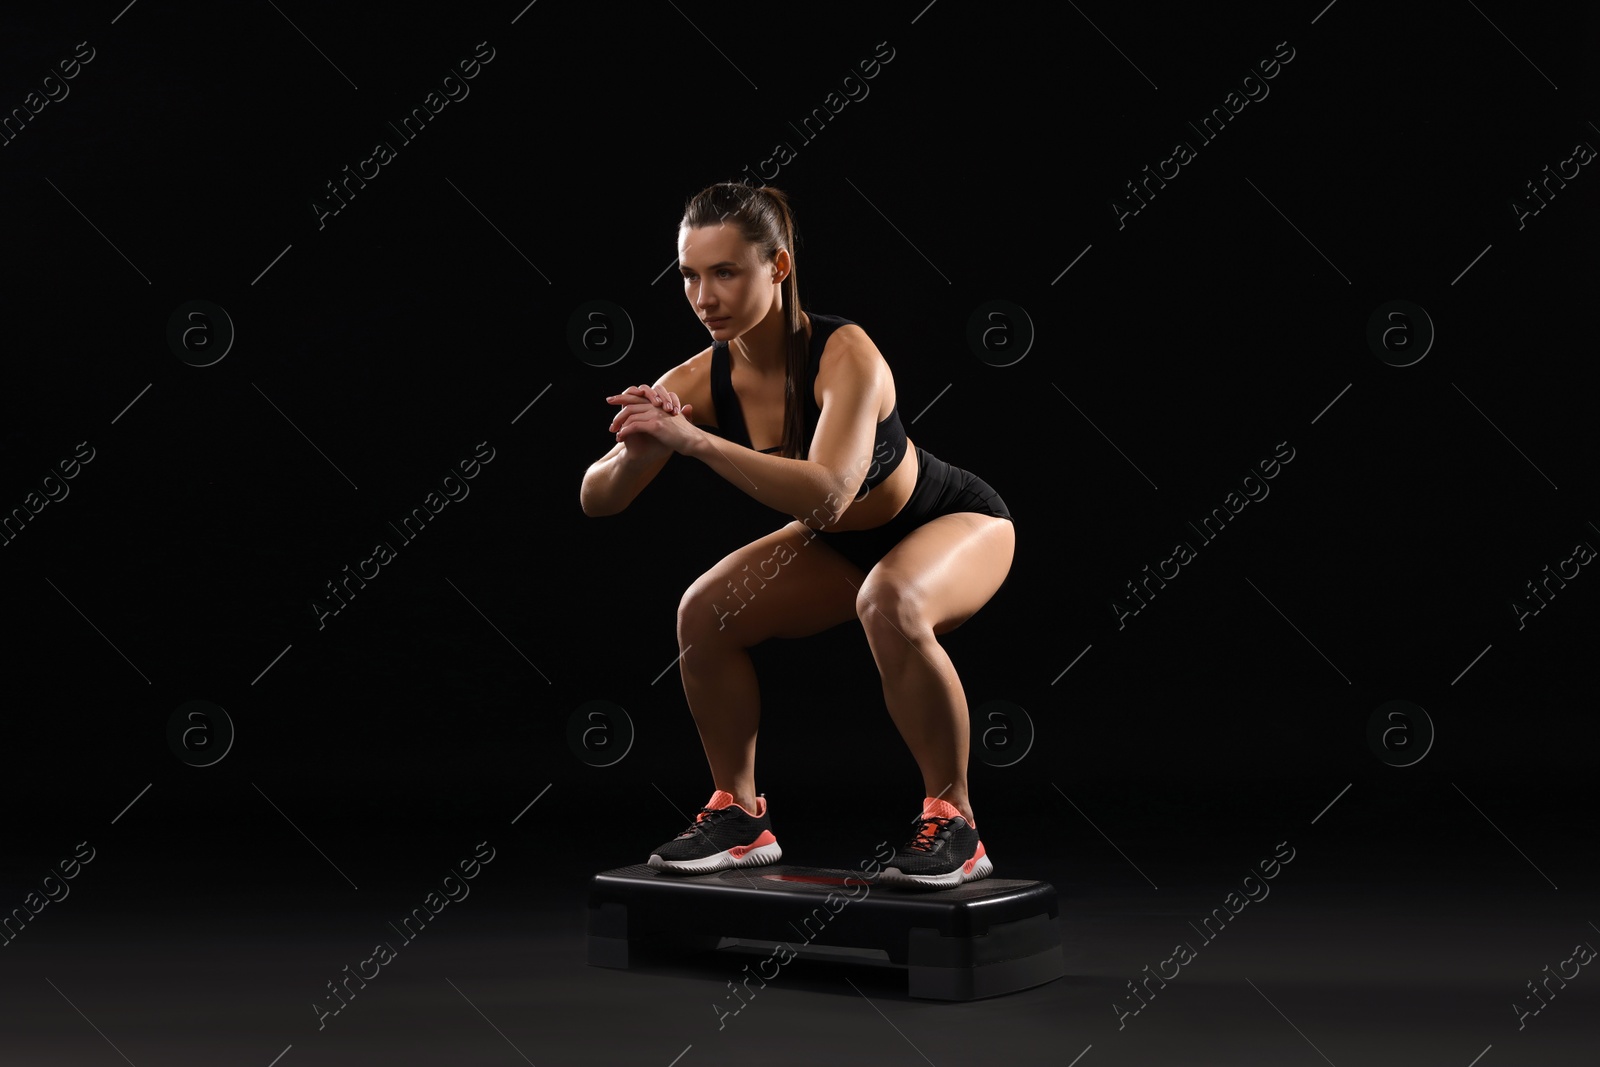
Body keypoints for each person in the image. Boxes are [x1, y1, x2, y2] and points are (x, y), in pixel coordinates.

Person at [579, 182, 1015, 890]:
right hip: (845, 548)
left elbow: (827, 493)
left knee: (891, 600)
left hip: (953, 521)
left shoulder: (847, 354)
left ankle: (955, 821)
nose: (703, 295)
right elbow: (596, 496)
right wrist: (645, 445)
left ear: (777, 268)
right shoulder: (698, 376)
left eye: (726, 272)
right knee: (704, 612)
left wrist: (693, 441)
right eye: (690, 274)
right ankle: (741, 814)